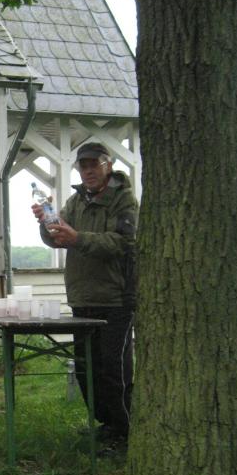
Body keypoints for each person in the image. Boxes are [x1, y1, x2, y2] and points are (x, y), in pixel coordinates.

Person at [33, 142, 137, 444]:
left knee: (113, 369)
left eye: (95, 164)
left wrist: (78, 238)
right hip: (82, 297)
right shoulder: (76, 200)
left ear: (109, 165)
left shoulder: (124, 199)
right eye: (83, 165)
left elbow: (125, 243)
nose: (88, 170)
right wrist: (46, 223)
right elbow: (57, 238)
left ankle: (125, 431)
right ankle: (106, 425)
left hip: (116, 298)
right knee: (85, 368)